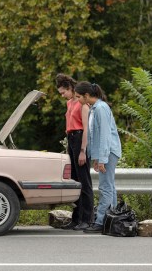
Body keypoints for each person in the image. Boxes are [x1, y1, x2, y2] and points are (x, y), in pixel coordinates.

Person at [74, 81, 122, 234]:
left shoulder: (100, 108)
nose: (77, 100)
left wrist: (102, 159)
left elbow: (105, 136)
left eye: (78, 97)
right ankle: (112, 219)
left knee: (105, 187)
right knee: (110, 186)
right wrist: (96, 157)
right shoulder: (96, 108)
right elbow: (95, 135)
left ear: (87, 95)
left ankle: (101, 221)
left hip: (108, 152)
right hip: (106, 152)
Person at [55, 74, 94, 230]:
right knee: (75, 181)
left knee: (84, 182)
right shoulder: (69, 104)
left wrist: (83, 151)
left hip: (79, 139)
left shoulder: (82, 104)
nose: (62, 95)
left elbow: (86, 129)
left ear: (70, 88)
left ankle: (87, 218)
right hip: (71, 139)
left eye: (64, 92)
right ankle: (76, 218)